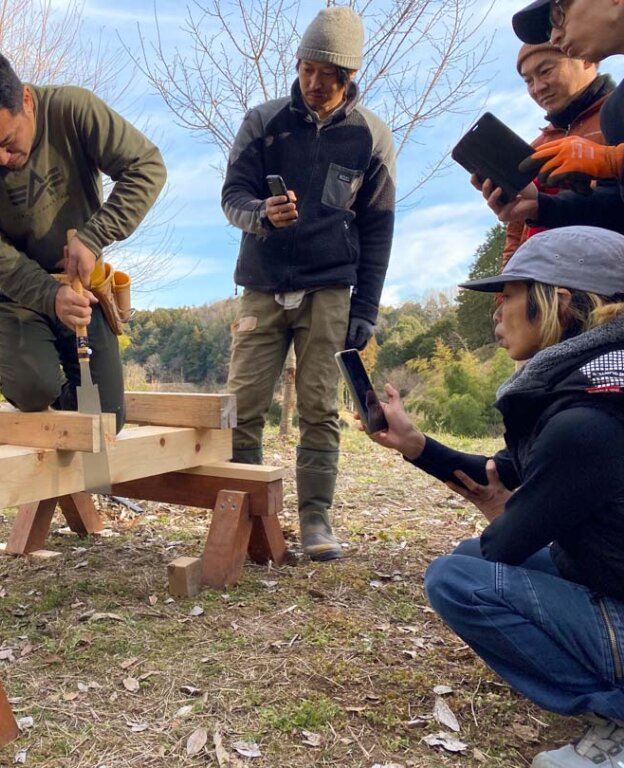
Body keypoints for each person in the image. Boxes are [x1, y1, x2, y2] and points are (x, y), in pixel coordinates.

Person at [363, 226, 624, 768]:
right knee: (466, 558)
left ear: (561, 302)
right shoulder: (595, 382)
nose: (496, 311)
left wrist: (499, 509)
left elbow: (506, 539)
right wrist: (415, 446)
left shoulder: (591, 420)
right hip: (608, 573)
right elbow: (500, 472)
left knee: (456, 579)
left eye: (509, 295)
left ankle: (616, 714)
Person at [221, 6, 396, 561]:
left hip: (330, 288)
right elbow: (232, 195)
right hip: (262, 283)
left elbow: (378, 226)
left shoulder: (371, 136)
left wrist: (365, 305)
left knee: (319, 406)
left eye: (329, 74)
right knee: (243, 404)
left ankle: (315, 517)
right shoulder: (263, 122)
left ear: (349, 78)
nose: (315, 83)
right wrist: (260, 215)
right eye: (306, 69)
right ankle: (245, 515)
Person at [0, 49, 166, 431]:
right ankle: (35, 394)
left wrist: (94, 236)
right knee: (32, 389)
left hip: (82, 286)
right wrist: (49, 296)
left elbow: (147, 167)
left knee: (106, 420)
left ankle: (72, 425)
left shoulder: (72, 109)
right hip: (15, 289)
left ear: (26, 99)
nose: (2, 159)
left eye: (7, 141)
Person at [477, 0, 624, 236]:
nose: (555, 36)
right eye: (528, 80)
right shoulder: (615, 112)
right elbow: (615, 210)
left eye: (559, 15)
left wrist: (612, 161)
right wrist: (540, 207)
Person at [501, 43, 613, 265]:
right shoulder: (536, 147)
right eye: (528, 81)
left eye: (545, 71)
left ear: (586, 59)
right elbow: (516, 232)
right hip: (541, 286)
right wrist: (507, 288)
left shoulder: (615, 118)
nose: (537, 87)